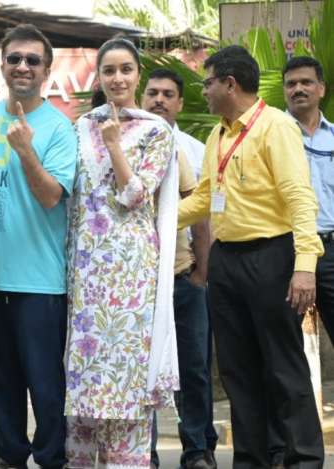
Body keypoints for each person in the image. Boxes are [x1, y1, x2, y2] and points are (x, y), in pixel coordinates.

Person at [178, 45, 325, 468]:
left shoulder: (275, 126)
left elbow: (299, 197)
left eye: (207, 83)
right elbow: (205, 197)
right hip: (226, 260)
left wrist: (303, 268)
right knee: (238, 371)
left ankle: (303, 460)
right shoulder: (217, 133)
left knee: (283, 366)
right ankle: (251, 460)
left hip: (271, 256)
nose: (202, 91)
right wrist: (155, 221)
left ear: (229, 83)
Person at [64, 38, 179, 468]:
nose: (117, 78)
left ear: (138, 75)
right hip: (85, 268)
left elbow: (134, 195)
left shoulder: (156, 130)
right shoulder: (78, 128)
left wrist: (114, 145)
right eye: (109, 70)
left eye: (126, 69)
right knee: (85, 377)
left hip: (132, 272)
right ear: (98, 75)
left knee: (127, 378)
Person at [0, 24, 77, 469]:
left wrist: (26, 152)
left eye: (33, 60)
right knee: (0, 384)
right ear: (2, 65)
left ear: (47, 72)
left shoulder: (58, 127)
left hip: (40, 283)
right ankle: (11, 457)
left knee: (46, 386)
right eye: (14, 58)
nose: (23, 66)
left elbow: (53, 196)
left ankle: (52, 459)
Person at [141, 68, 217, 469]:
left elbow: (204, 215)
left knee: (194, 369)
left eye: (168, 94)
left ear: (180, 103)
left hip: (184, 278)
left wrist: (201, 273)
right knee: (144, 371)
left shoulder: (193, 149)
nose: (159, 100)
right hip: (139, 285)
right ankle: (144, 453)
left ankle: (197, 449)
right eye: (152, 92)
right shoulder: (128, 143)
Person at [284, 55, 334, 348]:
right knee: (284, 346)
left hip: (330, 250)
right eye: (291, 84)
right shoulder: (272, 136)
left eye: (306, 82)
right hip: (285, 254)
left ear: (321, 89)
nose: (298, 89)